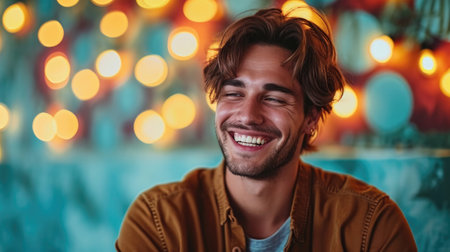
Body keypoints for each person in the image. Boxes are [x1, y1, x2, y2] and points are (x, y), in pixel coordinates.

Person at [116, 7, 417, 252]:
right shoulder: (158, 223)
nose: (247, 115)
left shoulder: (372, 225)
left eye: (273, 98)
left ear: (311, 117)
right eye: (233, 94)